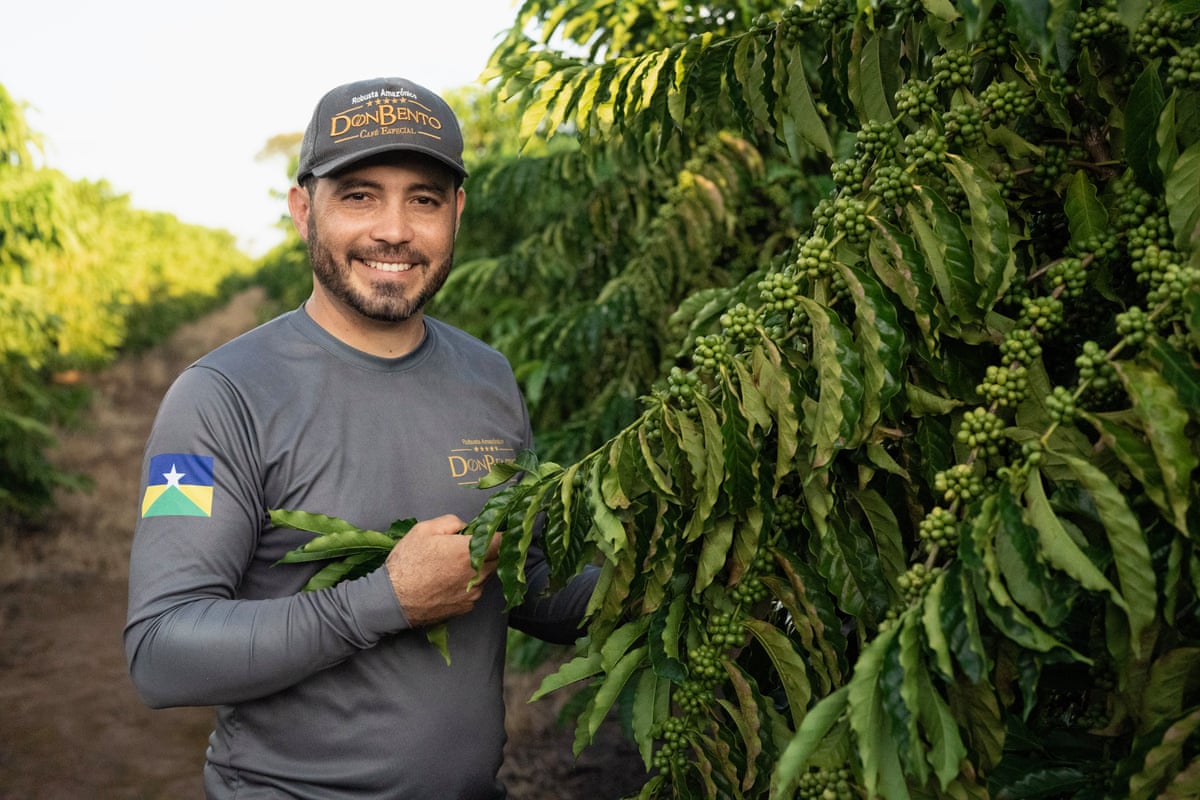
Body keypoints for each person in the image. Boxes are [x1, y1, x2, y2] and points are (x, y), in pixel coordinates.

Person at [124, 76, 596, 799]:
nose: (395, 230)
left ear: (456, 214)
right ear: (302, 210)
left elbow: (518, 581)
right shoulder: (221, 399)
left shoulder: (488, 377)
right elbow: (161, 654)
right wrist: (382, 602)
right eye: (359, 195)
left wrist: (661, 576)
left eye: (425, 199)